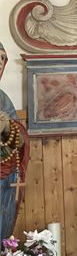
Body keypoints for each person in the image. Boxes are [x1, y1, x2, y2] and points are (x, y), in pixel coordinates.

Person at [0, 43, 29, 240]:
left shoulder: (3, 99)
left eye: (2, 59)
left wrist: (8, 128)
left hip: (4, 181)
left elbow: (20, 142)